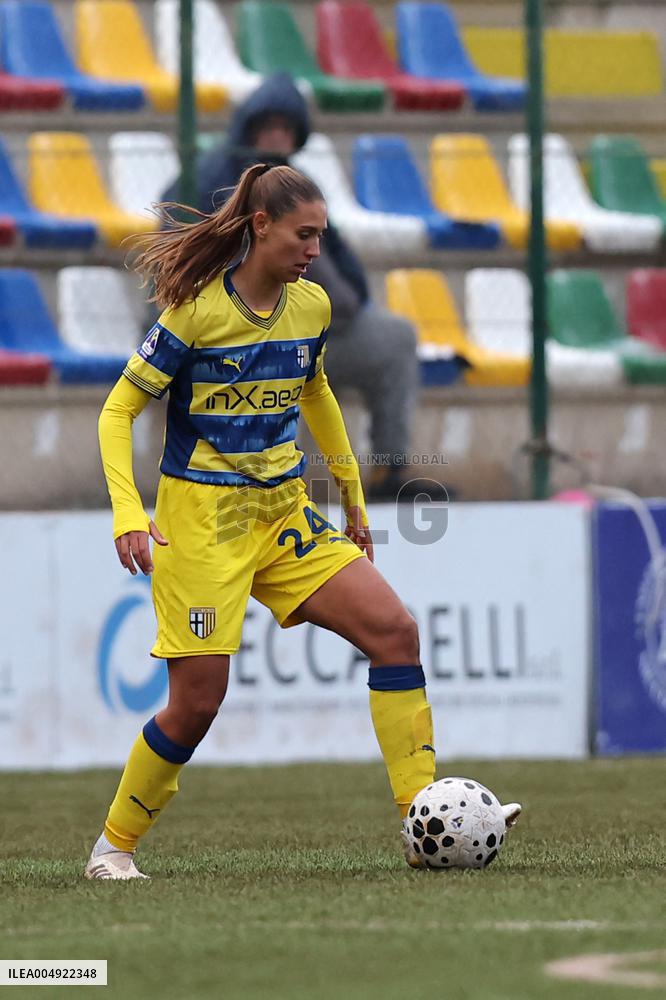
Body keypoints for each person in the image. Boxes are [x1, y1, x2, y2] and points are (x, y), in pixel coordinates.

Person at [85, 163, 440, 880]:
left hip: (285, 515)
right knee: (196, 703)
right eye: (304, 234)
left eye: (321, 236)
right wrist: (129, 512)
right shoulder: (192, 313)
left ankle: (425, 819)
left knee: (396, 633)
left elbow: (318, 397)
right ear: (261, 226)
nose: (315, 250)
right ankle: (112, 849)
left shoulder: (310, 308)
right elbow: (117, 411)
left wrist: (354, 502)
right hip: (202, 525)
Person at [162, 73, 423, 502]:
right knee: (281, 357)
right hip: (232, 335)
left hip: (322, 323)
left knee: (394, 339)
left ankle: (389, 475)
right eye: (267, 129)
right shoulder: (212, 178)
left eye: (285, 131)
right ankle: (270, 492)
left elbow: (335, 254)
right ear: (246, 129)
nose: (275, 140)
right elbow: (177, 252)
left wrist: (351, 298)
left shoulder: (295, 186)